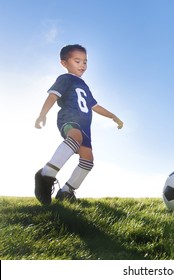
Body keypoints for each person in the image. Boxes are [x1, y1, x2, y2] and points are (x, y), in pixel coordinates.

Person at [34, 44, 123, 205]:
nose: (82, 65)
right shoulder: (65, 79)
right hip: (69, 117)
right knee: (75, 136)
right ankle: (45, 176)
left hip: (85, 126)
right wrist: (42, 114)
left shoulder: (85, 86)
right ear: (64, 63)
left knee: (88, 159)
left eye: (85, 62)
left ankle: (66, 191)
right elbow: (53, 96)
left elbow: (95, 106)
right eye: (77, 61)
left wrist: (113, 116)